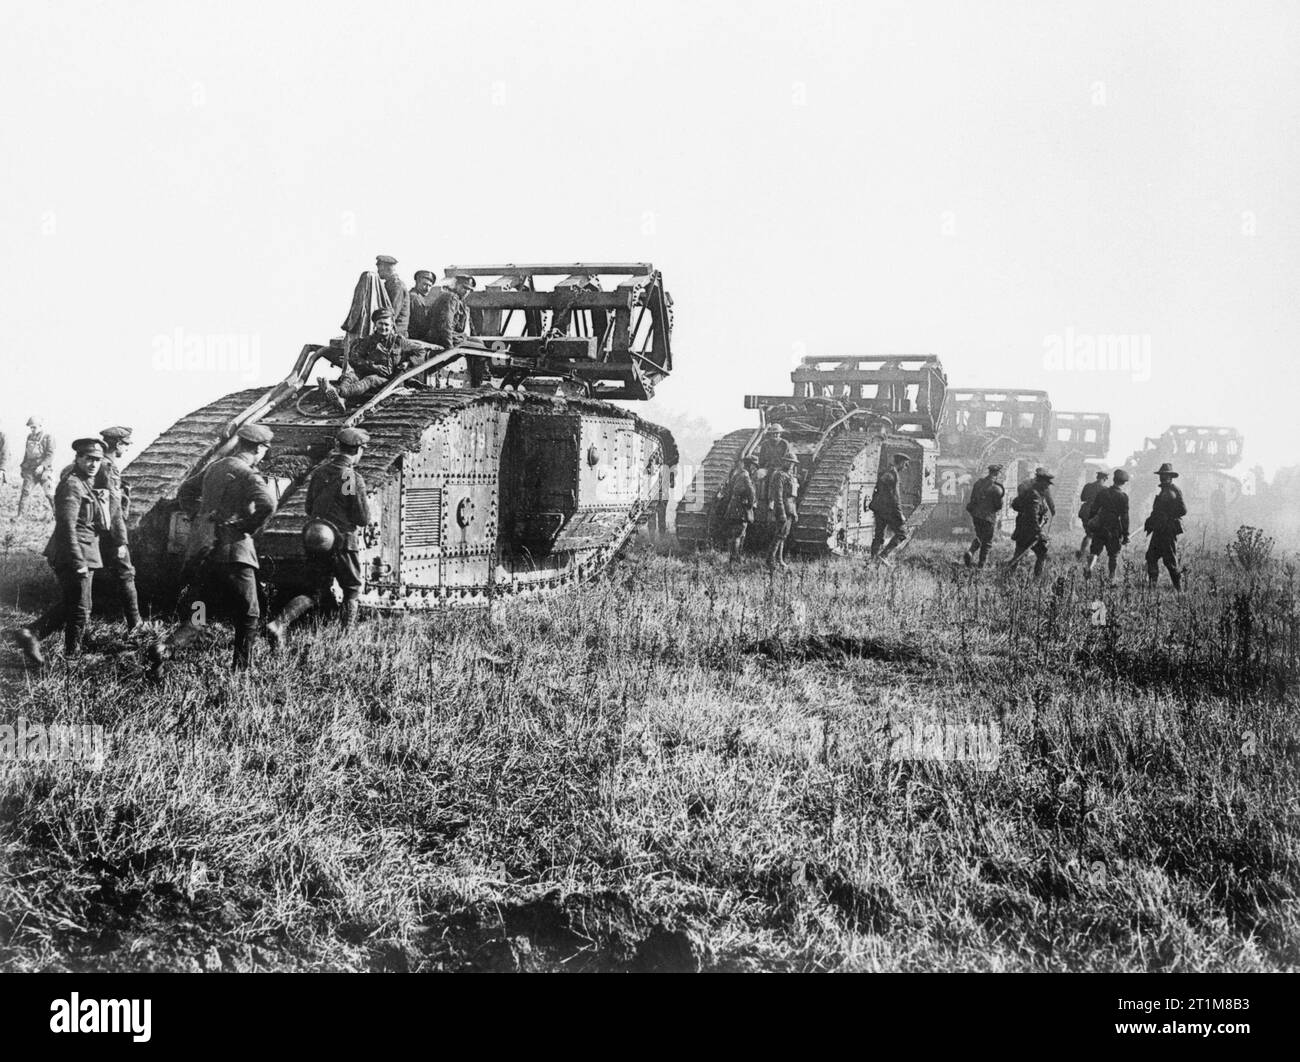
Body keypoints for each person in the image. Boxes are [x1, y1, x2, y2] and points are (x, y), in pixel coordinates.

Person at [147, 424, 277, 678]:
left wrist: (199, 515)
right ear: (260, 449)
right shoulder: (248, 475)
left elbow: (186, 490)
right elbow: (268, 504)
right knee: (250, 613)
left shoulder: (215, 467)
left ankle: (166, 648)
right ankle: (241, 672)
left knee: (201, 612)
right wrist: (246, 526)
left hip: (204, 552)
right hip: (234, 552)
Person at [265, 428, 375, 647]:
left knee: (314, 590)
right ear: (358, 450)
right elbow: (361, 517)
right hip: (343, 541)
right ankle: (346, 639)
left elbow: (308, 507)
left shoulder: (320, 472)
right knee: (352, 589)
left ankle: (279, 623)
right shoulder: (349, 476)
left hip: (317, 539)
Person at [9, 439, 112, 665]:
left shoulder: (87, 483)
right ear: (78, 459)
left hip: (85, 552)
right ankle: (72, 657)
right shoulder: (73, 484)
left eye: (97, 460)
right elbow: (66, 526)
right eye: (88, 459)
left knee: (75, 603)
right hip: (73, 554)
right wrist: (78, 561)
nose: (94, 464)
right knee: (81, 608)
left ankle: (32, 634)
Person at [323, 308, 433, 408]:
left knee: (370, 380)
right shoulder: (368, 341)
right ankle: (340, 396)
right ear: (375, 325)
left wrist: (408, 363)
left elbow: (421, 351)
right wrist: (371, 365)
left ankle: (338, 392)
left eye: (386, 325)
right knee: (350, 376)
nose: (383, 327)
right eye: (380, 324)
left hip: (389, 379)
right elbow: (354, 358)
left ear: (392, 326)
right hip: (368, 371)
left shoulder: (399, 341)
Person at [1145, 462, 1187, 590]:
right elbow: (1157, 511)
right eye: (1161, 475)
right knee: (1151, 557)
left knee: (1170, 561)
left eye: (1165, 475)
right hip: (1159, 529)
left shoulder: (1173, 491)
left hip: (1168, 531)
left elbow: (1183, 510)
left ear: (1170, 477)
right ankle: (1152, 587)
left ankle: (1179, 589)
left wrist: (1167, 516)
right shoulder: (1164, 491)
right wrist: (1152, 519)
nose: (1162, 477)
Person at [1006, 469, 1054, 577]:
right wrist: (1039, 532)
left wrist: (1043, 516)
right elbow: (1032, 516)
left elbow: (1037, 512)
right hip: (1029, 531)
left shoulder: (1036, 494)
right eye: (1046, 484)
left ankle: (1008, 574)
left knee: (1019, 554)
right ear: (1040, 482)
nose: (1047, 487)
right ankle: (1036, 580)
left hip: (1025, 529)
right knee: (1042, 553)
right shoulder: (1034, 495)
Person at [1083, 469, 1130, 582]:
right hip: (1114, 528)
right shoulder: (1123, 496)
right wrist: (1126, 534)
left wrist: (1092, 522)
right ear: (1123, 483)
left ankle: (1089, 568)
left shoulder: (1103, 493)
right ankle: (1111, 577)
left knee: (1095, 551)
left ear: (1113, 479)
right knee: (1113, 555)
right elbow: (1125, 517)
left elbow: (1094, 509)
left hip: (1100, 525)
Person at [869, 453, 911, 563]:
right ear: (901, 462)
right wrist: (899, 514)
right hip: (889, 510)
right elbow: (894, 497)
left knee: (879, 535)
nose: (905, 467)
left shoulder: (886, 472)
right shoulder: (893, 475)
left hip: (879, 508)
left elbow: (877, 489)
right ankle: (883, 555)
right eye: (905, 464)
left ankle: (873, 560)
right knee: (902, 533)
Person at [963, 463, 1005, 568]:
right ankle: (981, 565)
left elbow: (972, 499)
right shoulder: (997, 489)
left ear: (989, 472)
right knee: (987, 542)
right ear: (997, 474)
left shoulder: (978, 483)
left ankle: (971, 552)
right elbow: (999, 506)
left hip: (976, 516)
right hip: (988, 518)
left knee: (980, 536)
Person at [16, 416, 56, 519]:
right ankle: (20, 516)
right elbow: (27, 454)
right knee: (25, 492)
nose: (32, 430)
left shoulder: (48, 437)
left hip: (45, 471)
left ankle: (58, 516)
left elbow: (50, 455)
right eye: (31, 428)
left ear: (40, 426)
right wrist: (23, 467)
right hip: (31, 470)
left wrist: (42, 466)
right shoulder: (29, 437)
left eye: (34, 427)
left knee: (50, 494)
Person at [720, 455, 759, 562]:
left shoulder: (737, 474)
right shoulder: (746, 476)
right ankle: (735, 558)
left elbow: (729, 491)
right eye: (754, 466)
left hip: (733, 506)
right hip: (742, 508)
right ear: (750, 465)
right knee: (739, 533)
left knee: (736, 533)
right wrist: (751, 505)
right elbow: (751, 493)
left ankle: (735, 557)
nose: (754, 468)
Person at [766, 454, 799, 571]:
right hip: (783, 507)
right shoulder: (779, 475)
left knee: (784, 535)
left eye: (792, 462)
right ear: (784, 461)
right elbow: (778, 496)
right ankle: (770, 560)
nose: (791, 464)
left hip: (790, 507)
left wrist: (794, 512)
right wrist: (781, 513)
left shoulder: (790, 476)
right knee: (779, 535)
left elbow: (793, 498)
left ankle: (779, 559)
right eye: (789, 461)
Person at [1077, 470, 1109, 558]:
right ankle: (1089, 555)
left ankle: (1082, 552)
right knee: (1091, 535)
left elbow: (1082, 498)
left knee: (1089, 533)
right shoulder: (1105, 490)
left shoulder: (1088, 486)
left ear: (1097, 477)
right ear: (1105, 479)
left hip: (1085, 511)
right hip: (1095, 513)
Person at [408, 269, 440, 342]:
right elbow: (420, 323)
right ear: (417, 282)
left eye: (430, 286)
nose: (427, 289)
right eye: (424, 284)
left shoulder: (419, 297)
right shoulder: (414, 297)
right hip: (414, 338)